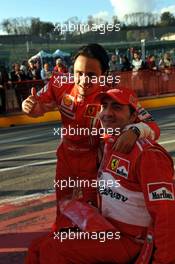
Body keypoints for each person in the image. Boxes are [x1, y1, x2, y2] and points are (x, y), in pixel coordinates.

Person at [25, 88, 173, 264]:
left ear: (133, 117)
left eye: (117, 107)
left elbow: (167, 215)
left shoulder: (147, 154)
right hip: (108, 228)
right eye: (104, 106)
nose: (107, 113)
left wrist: (164, 261)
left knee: (53, 250)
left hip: (132, 240)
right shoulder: (107, 142)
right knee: (37, 247)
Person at [22, 43, 160, 232]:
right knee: (62, 210)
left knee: (90, 215)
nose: (83, 80)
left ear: (104, 74)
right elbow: (38, 108)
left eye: (91, 75)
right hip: (66, 158)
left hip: (94, 161)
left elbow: (152, 126)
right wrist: (29, 106)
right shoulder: (59, 82)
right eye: (79, 73)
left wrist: (135, 130)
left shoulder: (114, 93)